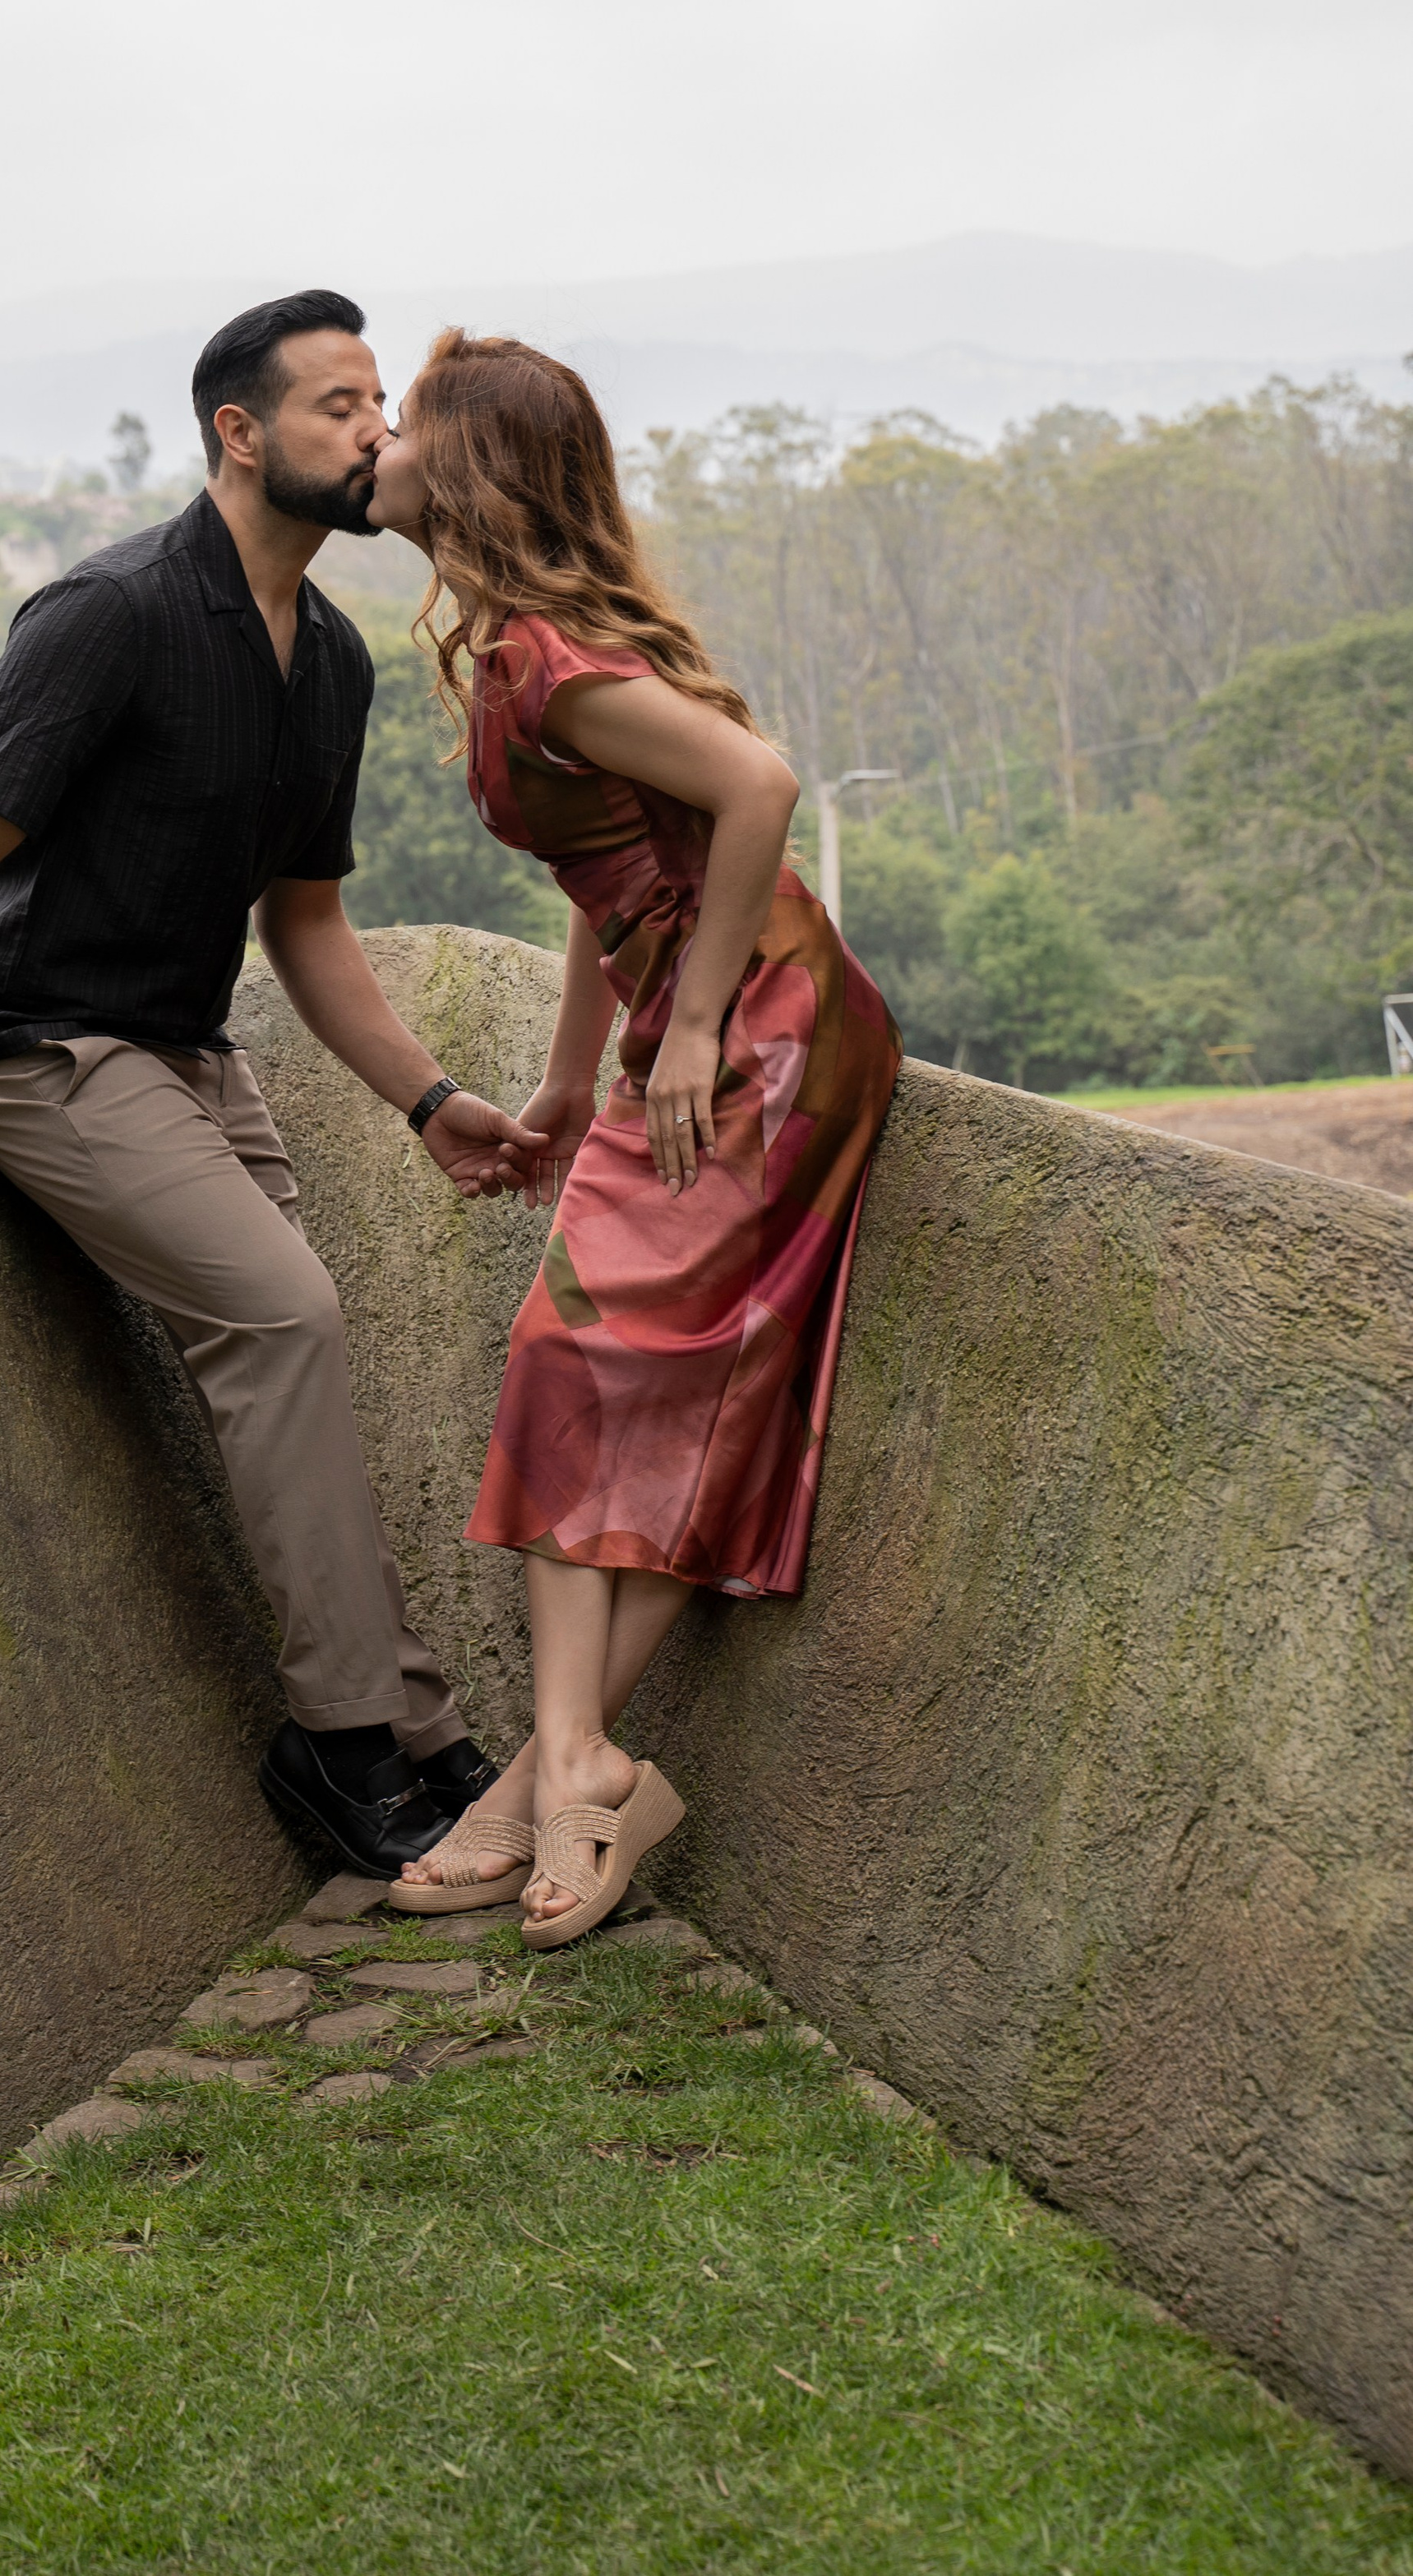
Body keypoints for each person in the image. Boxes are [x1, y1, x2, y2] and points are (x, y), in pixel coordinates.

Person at [0, 290, 543, 1880]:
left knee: (298, 1356)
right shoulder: (108, 614)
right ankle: (345, 1747)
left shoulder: (331, 662)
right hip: (41, 1053)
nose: (378, 434)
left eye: (380, 405)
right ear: (238, 432)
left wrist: (431, 1103)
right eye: (340, 407)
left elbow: (306, 925)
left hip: (188, 1054)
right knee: (287, 1321)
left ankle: (418, 1728)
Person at [364, 330, 903, 1946]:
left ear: (464, 469)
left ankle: (558, 1772)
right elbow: (609, 885)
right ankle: (569, 1770)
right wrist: (563, 1079)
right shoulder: (507, 655)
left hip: (768, 1039)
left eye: (399, 423)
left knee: (581, 1364)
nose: (377, 445)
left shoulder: (553, 666)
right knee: (591, 1386)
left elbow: (758, 789)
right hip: (687, 1030)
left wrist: (693, 1027)